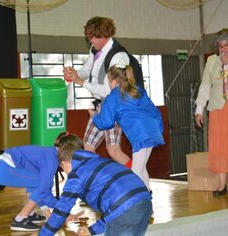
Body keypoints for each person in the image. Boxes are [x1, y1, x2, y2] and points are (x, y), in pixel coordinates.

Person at [39, 134, 152, 236]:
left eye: (63, 169)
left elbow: (62, 209)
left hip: (126, 208)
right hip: (145, 202)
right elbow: (113, 209)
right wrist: (92, 230)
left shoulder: (77, 173)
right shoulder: (99, 161)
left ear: (64, 163)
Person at [63, 16, 134, 166]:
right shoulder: (96, 50)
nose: (90, 41)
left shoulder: (118, 56)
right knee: (88, 148)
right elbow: (86, 69)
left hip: (113, 105)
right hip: (100, 106)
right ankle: (97, 180)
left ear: (104, 36)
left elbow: (109, 91)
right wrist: (74, 74)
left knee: (113, 150)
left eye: (93, 37)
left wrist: (80, 81)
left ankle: (138, 178)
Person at [89, 64, 165, 192]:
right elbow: (154, 111)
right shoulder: (138, 90)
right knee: (141, 167)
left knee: (135, 171)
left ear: (113, 81)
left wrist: (95, 116)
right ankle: (146, 193)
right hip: (153, 131)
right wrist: (159, 130)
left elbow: (106, 122)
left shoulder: (113, 97)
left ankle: (135, 198)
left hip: (140, 135)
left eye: (108, 81)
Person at [0, 132, 81, 232]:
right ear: (69, 155)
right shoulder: (51, 160)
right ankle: (20, 219)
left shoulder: (50, 153)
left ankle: (30, 213)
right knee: (46, 185)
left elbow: (32, 188)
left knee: (37, 183)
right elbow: (43, 191)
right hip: (3, 169)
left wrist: (49, 215)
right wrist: (63, 213)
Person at [195, 28, 228, 196]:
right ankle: (221, 185)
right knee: (219, 147)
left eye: (227, 45)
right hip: (217, 109)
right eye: (220, 45)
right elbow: (204, 86)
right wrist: (199, 109)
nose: (223, 49)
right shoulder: (211, 61)